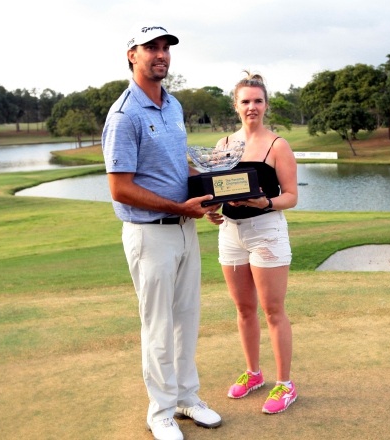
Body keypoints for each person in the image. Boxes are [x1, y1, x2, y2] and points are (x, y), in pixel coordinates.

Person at [101, 22, 222, 440]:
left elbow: (177, 168)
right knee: (157, 325)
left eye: (165, 47)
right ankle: (161, 412)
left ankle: (188, 398)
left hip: (185, 228)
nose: (160, 54)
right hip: (149, 234)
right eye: (149, 47)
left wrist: (207, 196)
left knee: (186, 319)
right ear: (131, 55)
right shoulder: (124, 114)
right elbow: (120, 187)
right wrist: (178, 206)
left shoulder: (173, 105)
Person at [205, 71, 299, 414]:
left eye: (258, 101)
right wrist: (212, 209)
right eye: (245, 101)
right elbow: (215, 191)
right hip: (230, 233)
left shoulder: (278, 145)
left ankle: (285, 385)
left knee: (273, 311)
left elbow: (291, 196)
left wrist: (267, 203)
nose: (252, 107)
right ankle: (253, 374)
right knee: (244, 309)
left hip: (267, 231)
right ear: (236, 105)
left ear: (266, 105)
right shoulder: (223, 145)